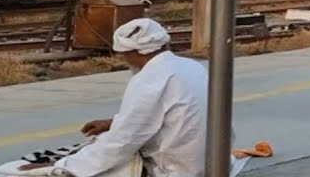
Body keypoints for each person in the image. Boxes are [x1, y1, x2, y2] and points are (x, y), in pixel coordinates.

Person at [41, 18, 208, 177]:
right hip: (210, 161)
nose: (125, 60)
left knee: (100, 158)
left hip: (176, 169)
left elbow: (124, 140)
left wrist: (65, 166)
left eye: (124, 54)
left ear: (134, 52)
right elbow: (170, 113)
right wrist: (114, 122)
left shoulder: (148, 79)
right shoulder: (192, 66)